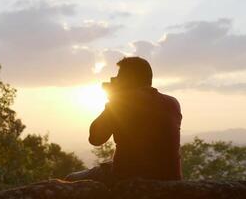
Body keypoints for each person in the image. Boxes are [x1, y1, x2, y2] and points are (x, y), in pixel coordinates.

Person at [66, 57, 182, 185]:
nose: (115, 80)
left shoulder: (121, 103)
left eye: (119, 76)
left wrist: (113, 101)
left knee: (70, 179)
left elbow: (95, 138)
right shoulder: (172, 103)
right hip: (170, 178)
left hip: (129, 178)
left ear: (128, 80)